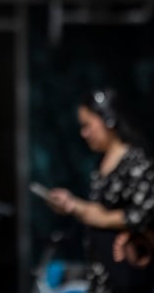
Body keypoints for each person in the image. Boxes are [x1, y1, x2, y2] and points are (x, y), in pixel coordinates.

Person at [44, 88, 154, 292]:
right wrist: (71, 205)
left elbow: (142, 214)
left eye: (88, 125)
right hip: (101, 277)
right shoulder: (101, 163)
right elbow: (95, 211)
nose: (84, 133)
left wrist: (98, 216)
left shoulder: (137, 162)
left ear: (109, 121)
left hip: (128, 278)